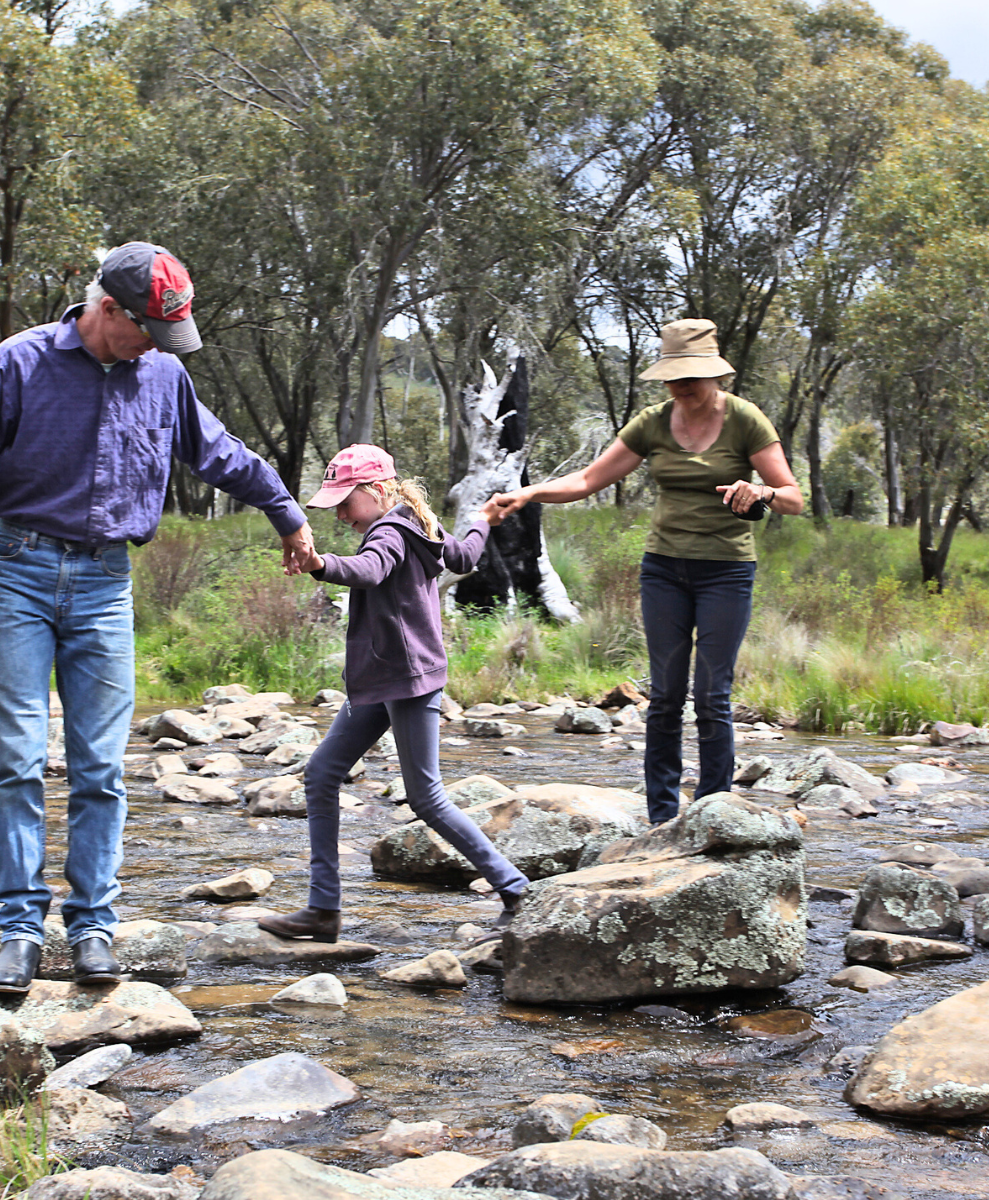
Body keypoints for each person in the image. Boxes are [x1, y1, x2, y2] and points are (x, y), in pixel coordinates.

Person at [0, 242, 315, 993]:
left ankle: (93, 923)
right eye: (147, 331)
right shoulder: (17, 364)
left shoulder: (162, 373)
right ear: (108, 311)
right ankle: (20, 929)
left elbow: (218, 452)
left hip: (105, 582)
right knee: (17, 762)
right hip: (18, 573)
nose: (157, 347)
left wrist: (285, 512)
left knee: (100, 766)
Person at [490, 319, 801, 825]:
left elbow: (793, 497)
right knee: (665, 695)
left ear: (714, 375)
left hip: (726, 571)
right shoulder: (652, 423)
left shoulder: (747, 421)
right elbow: (590, 479)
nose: (680, 387)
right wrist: (530, 493)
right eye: (672, 378)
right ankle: (662, 817)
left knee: (712, 694)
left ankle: (713, 812)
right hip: (664, 570)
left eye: (690, 378)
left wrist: (762, 492)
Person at [259, 445, 530, 943]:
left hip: (406, 681)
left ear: (378, 490)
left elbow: (370, 570)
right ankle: (323, 910)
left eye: (345, 500)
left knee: (426, 798)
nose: (340, 513)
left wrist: (320, 563)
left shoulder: (388, 531)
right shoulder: (419, 524)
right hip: (383, 678)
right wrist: (483, 518)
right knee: (321, 774)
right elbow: (466, 556)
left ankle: (515, 888)